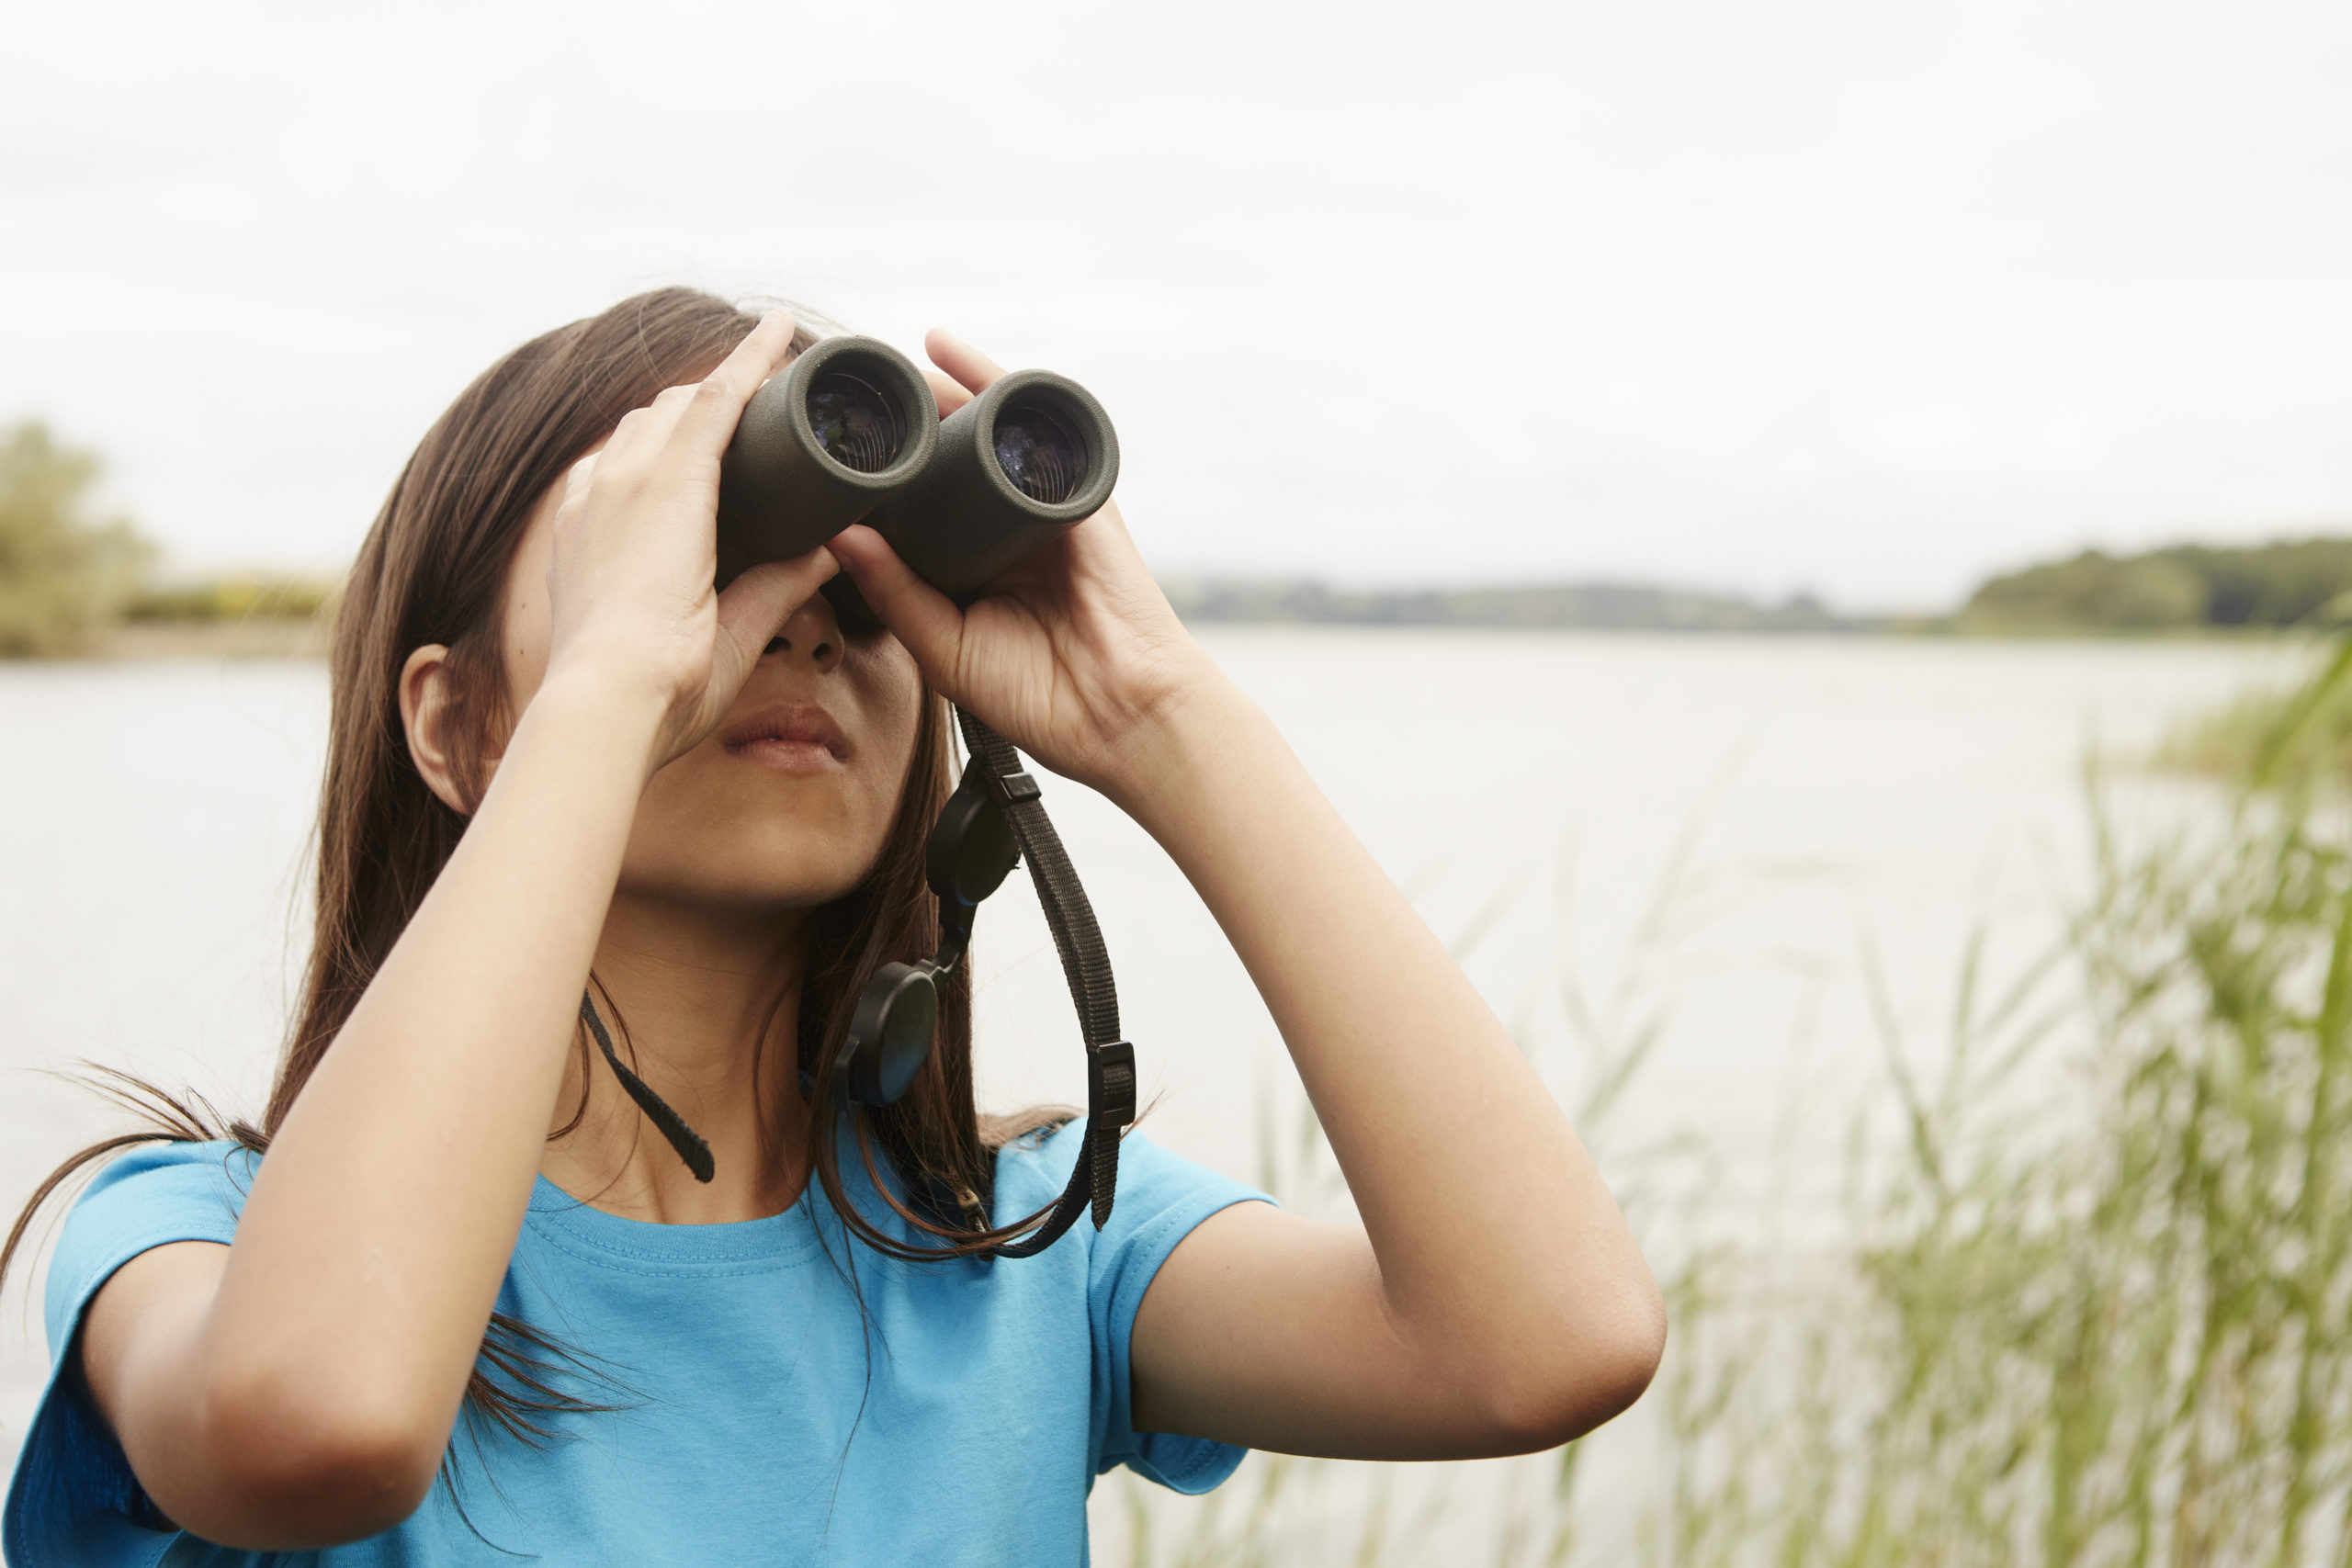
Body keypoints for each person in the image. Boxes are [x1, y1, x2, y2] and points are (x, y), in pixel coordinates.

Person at [0, 288, 1663, 1564]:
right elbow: (329, 1419)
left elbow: (1545, 1345)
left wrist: (1160, 716)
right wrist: (604, 690)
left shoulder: (1028, 1248)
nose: (795, 633)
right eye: (708, 569)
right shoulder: (193, 1243)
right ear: (457, 727)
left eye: (857, 597)